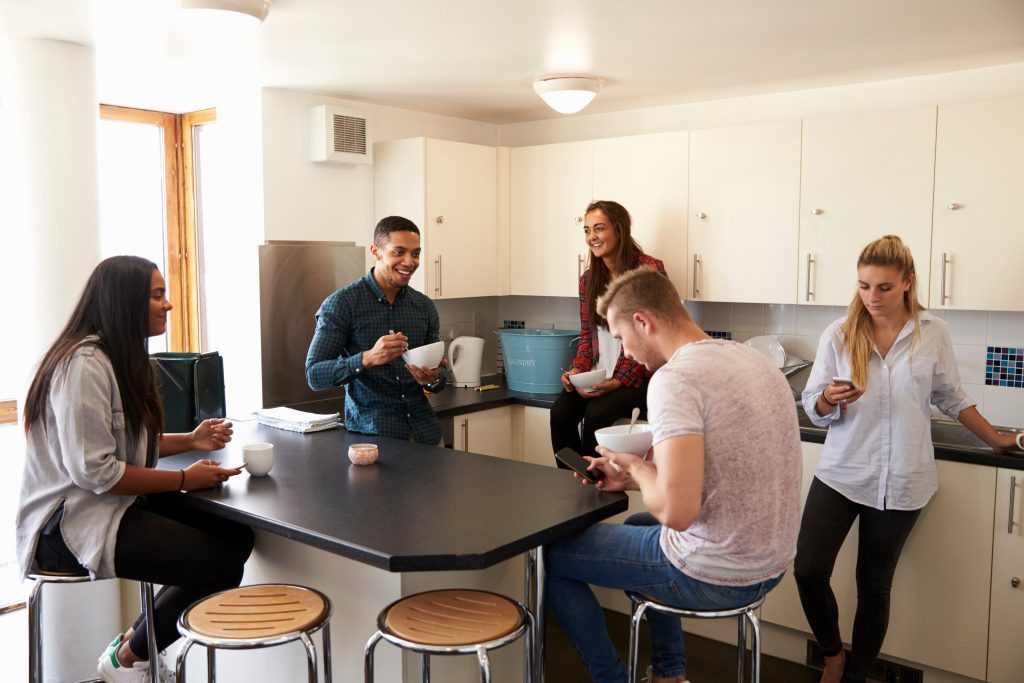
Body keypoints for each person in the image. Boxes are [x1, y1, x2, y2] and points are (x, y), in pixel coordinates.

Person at [544, 267, 802, 683]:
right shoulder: (751, 359)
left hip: (718, 573)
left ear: (643, 321)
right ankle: (669, 673)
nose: (624, 352)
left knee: (551, 558)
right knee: (639, 521)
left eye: (621, 338)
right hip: (771, 563)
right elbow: (717, 470)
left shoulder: (674, 379)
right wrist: (631, 477)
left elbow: (678, 514)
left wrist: (641, 468)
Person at [15, 255, 254, 683]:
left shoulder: (118, 358)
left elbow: (123, 446)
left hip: (107, 506)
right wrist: (184, 478)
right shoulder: (84, 365)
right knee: (220, 564)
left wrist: (190, 440)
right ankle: (129, 658)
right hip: (65, 529)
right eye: (158, 295)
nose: (169, 305)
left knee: (238, 536)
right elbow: (97, 472)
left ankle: (131, 646)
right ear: (125, 303)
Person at [795, 235, 1022, 683]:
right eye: (863, 286)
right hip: (842, 472)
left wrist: (996, 439)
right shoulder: (838, 334)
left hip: (903, 479)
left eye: (882, 287)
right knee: (808, 570)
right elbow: (811, 406)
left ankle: (854, 675)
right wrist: (827, 398)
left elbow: (950, 397)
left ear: (907, 283)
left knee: (873, 586)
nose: (871, 297)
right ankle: (832, 655)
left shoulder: (932, 332)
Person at [306, 215, 447, 444]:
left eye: (416, 253)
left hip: (426, 435)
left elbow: (439, 378)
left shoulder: (424, 307)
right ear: (376, 251)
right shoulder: (342, 304)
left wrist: (433, 378)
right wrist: (367, 358)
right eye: (399, 252)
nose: (409, 262)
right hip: (373, 439)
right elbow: (314, 374)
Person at [550, 200, 667, 465]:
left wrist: (616, 381)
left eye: (599, 229)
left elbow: (648, 338)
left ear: (619, 229)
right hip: (601, 375)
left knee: (597, 413)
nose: (592, 237)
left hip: (640, 379)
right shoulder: (589, 280)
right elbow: (587, 337)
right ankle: (571, 479)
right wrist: (577, 371)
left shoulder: (648, 271)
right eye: (587, 230)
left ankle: (596, 484)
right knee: (560, 411)